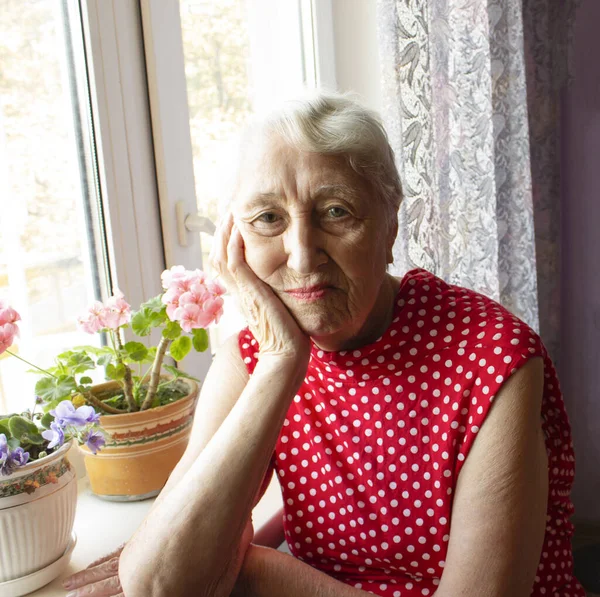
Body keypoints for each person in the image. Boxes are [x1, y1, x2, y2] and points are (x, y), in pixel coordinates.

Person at [62, 92, 584, 597]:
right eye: (268, 218)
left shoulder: (493, 356)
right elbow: (158, 585)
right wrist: (281, 364)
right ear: (234, 241)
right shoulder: (253, 359)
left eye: (337, 212)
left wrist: (264, 575)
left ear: (390, 225)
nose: (303, 255)